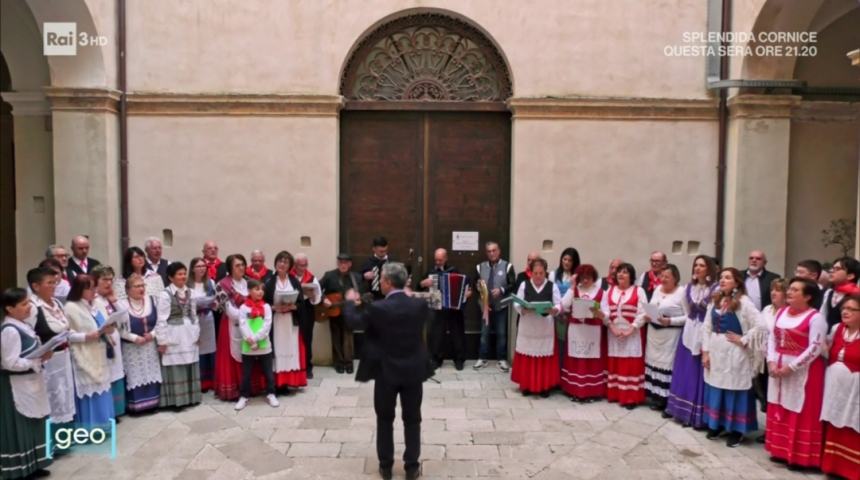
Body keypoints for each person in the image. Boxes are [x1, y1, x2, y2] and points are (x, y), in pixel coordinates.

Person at [343, 262, 431, 480]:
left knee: (384, 419)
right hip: (412, 371)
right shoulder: (418, 306)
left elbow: (354, 322)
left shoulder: (378, 308)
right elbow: (429, 319)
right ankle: (412, 467)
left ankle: (386, 466)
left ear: (389, 282)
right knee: (413, 419)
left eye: (381, 279)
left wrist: (350, 303)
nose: (379, 282)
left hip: (385, 372)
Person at [764, 278, 827, 468]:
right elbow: (773, 339)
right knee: (780, 405)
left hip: (805, 372)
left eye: (795, 290)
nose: (789, 292)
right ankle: (779, 450)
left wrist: (791, 368)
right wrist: (772, 361)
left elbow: (815, 348)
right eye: (789, 289)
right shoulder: (781, 312)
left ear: (807, 297)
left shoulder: (816, 318)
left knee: (800, 410)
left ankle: (800, 457)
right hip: (778, 367)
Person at [701, 267, 762, 447]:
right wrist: (705, 352)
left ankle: (737, 429)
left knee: (735, 388)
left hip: (735, 354)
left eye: (727, 278)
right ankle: (717, 424)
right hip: (716, 352)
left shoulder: (744, 302)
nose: (722, 280)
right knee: (717, 386)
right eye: (721, 277)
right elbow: (706, 327)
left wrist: (744, 339)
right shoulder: (716, 300)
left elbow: (761, 326)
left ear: (737, 282)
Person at [1, 288, 54, 479]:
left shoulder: (23, 325)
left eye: (29, 302)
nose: (28, 307)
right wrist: (36, 361)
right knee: (21, 425)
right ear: (9, 308)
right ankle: (21, 467)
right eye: (23, 304)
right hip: (17, 386)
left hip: (31, 382)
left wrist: (43, 355)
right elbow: (9, 362)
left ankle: (36, 463)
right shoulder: (9, 331)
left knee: (35, 422)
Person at [666, 255, 719, 428]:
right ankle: (682, 411)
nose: (697, 268)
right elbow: (688, 312)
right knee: (685, 372)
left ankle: (698, 416)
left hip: (705, 333)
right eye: (696, 265)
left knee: (699, 374)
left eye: (702, 265)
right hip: (689, 333)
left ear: (709, 268)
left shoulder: (715, 289)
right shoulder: (688, 288)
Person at [63, 275, 116, 429]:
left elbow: (102, 323)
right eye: (90, 288)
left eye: (94, 287)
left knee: (102, 388)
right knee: (89, 390)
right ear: (80, 289)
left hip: (99, 351)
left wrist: (108, 328)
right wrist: (86, 336)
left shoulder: (94, 305)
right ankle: (90, 428)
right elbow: (67, 333)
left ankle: (104, 425)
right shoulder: (70, 307)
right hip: (84, 352)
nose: (94, 291)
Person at [28, 267, 78, 425]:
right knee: (53, 395)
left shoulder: (56, 303)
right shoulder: (32, 307)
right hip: (48, 361)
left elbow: (66, 329)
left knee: (65, 394)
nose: (54, 286)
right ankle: (52, 439)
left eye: (55, 282)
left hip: (64, 357)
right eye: (49, 283)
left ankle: (66, 436)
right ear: (36, 286)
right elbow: (30, 336)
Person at [820, 294, 860, 480]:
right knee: (836, 424)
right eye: (844, 308)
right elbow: (828, 351)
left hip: (856, 392)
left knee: (853, 428)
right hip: (837, 389)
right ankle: (833, 466)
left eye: (852, 309)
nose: (845, 312)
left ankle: (853, 471)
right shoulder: (837, 329)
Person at [213, 255, 264, 400]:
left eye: (243, 264)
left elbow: (259, 300)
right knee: (234, 354)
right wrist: (248, 314)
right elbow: (230, 312)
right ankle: (234, 389)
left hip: (251, 324)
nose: (241, 268)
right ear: (230, 268)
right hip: (231, 325)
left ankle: (251, 387)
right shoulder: (222, 285)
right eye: (237, 265)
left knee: (251, 354)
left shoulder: (249, 282)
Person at [511, 258, 561, 397]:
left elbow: (558, 304)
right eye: (535, 273)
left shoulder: (552, 286)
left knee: (543, 358)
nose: (538, 276)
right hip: (528, 326)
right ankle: (526, 385)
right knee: (527, 356)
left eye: (541, 273)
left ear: (545, 273)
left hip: (545, 327)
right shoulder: (524, 284)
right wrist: (523, 309)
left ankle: (544, 386)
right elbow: (517, 303)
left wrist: (555, 310)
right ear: (531, 273)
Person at [601, 262, 648, 409]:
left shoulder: (639, 291)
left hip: (632, 333)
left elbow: (643, 312)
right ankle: (615, 394)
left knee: (630, 364)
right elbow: (604, 311)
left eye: (625, 272)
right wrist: (611, 326)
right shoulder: (609, 291)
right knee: (615, 362)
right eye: (619, 272)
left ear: (631, 276)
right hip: (613, 332)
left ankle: (630, 397)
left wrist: (631, 328)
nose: (621, 274)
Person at [155, 262, 201, 408]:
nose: (183, 277)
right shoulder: (165, 294)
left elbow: (194, 314)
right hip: (173, 332)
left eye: (184, 273)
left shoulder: (191, 292)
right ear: (170, 277)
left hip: (189, 333)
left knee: (189, 362)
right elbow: (161, 318)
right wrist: (161, 340)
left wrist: (197, 332)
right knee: (176, 364)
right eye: (179, 274)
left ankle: (191, 397)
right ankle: (177, 400)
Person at [644, 264, 688, 413]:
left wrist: (670, 321)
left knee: (667, 366)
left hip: (670, 335)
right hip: (654, 333)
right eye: (661, 276)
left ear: (675, 278)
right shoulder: (657, 289)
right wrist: (648, 314)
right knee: (653, 364)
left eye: (667, 276)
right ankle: (656, 397)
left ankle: (668, 401)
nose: (663, 279)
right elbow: (652, 306)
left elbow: (689, 317)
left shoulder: (682, 292)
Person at [116, 273, 162, 413]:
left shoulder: (151, 300)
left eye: (142, 285)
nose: (141, 289)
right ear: (128, 289)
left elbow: (161, 322)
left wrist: (152, 335)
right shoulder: (122, 305)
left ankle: (153, 403)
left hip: (149, 346)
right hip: (132, 348)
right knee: (135, 373)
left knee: (150, 371)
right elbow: (118, 329)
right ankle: (136, 406)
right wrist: (134, 338)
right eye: (137, 286)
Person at [560, 264, 606, 401]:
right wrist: (572, 287)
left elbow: (606, 313)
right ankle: (574, 390)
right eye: (583, 278)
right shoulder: (575, 290)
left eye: (589, 278)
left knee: (590, 359)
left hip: (592, 330)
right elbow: (564, 304)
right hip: (576, 330)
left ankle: (591, 391)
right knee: (576, 358)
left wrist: (599, 313)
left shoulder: (601, 292)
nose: (585, 281)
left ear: (594, 278)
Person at [263, 251, 308, 389]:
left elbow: (301, 303)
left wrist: (294, 306)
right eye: (280, 261)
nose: (282, 264)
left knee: (291, 348)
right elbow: (263, 303)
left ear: (290, 266)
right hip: (275, 322)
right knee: (277, 349)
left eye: (286, 262)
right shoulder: (269, 282)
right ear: (275, 263)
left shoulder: (294, 281)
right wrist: (273, 307)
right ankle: (277, 383)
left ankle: (290, 381)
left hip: (290, 321)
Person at [419, 248, 468, 370]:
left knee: (457, 334)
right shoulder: (431, 272)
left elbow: (465, 285)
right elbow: (418, 286)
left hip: (453, 308)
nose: (438, 262)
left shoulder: (454, 270)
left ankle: (459, 359)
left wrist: (466, 293)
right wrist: (423, 284)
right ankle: (436, 359)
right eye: (436, 260)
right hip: (438, 308)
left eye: (440, 260)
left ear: (446, 258)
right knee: (437, 335)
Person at [235, 280, 278, 410]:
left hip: (263, 344)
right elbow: (243, 325)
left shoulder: (266, 307)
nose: (260, 292)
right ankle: (243, 396)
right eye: (256, 289)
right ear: (249, 291)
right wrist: (250, 340)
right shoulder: (243, 308)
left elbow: (267, 325)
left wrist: (256, 339)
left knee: (268, 372)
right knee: (246, 373)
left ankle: (271, 394)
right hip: (248, 346)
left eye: (261, 289)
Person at [90, 266, 126, 418]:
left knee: (116, 373)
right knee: (108, 376)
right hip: (103, 343)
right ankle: (108, 412)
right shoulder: (94, 301)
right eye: (104, 279)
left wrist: (115, 301)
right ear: (95, 281)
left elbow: (124, 319)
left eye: (111, 279)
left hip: (115, 340)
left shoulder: (110, 298)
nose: (109, 283)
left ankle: (117, 410)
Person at [474, 241, 516, 372]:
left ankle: (502, 360)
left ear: (499, 251)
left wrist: (502, 290)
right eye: (489, 251)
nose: (492, 253)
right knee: (484, 333)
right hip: (485, 306)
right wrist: (478, 287)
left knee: (501, 333)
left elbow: (513, 284)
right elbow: (476, 285)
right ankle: (482, 358)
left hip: (501, 306)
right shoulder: (480, 267)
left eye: (494, 250)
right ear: (486, 253)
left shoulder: (507, 266)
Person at [321, 253, 365, 374]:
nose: (343, 265)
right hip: (333, 310)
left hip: (349, 311)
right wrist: (324, 299)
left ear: (350, 264)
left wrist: (359, 299)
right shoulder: (329, 275)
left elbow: (361, 292)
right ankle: (338, 362)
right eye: (340, 262)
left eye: (345, 263)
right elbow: (318, 289)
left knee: (348, 338)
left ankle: (348, 362)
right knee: (336, 337)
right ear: (337, 263)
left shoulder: (356, 277)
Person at [188, 257, 217, 392]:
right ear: (192, 269)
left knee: (209, 349)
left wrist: (213, 304)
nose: (201, 269)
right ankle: (200, 381)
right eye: (198, 266)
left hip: (208, 318)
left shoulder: (210, 282)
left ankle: (210, 381)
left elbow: (217, 302)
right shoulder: (188, 285)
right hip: (193, 319)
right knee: (197, 348)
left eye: (203, 266)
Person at [290, 253, 322, 378]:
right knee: (292, 339)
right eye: (299, 265)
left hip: (307, 312)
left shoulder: (311, 278)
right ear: (295, 265)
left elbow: (318, 297)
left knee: (306, 340)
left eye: (304, 265)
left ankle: (307, 367)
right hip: (291, 311)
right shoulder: (289, 276)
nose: (302, 268)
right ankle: (294, 366)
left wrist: (313, 297)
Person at [549, 248, 580, 369]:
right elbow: (550, 294)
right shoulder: (553, 274)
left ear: (574, 262)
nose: (566, 262)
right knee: (557, 344)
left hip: (571, 314)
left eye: (570, 260)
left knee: (569, 344)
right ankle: (556, 373)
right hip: (556, 314)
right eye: (564, 259)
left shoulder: (577, 277)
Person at [821, 256, 860, 330]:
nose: (831, 271)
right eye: (832, 268)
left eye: (837, 269)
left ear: (850, 276)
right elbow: (822, 315)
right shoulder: (829, 292)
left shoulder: (856, 295)